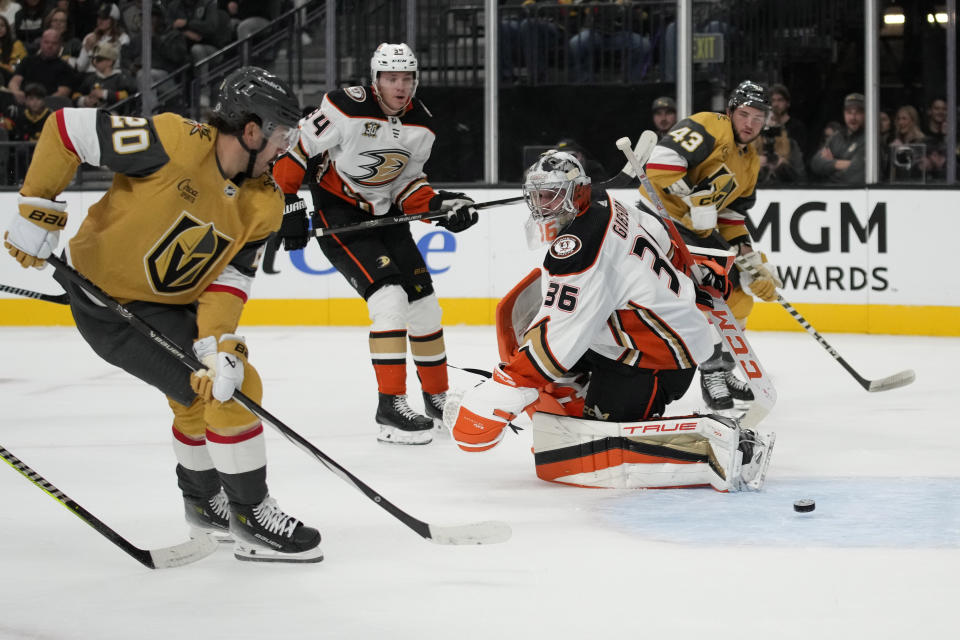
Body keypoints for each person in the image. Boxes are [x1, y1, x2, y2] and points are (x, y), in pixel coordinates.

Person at [2, 66, 323, 563]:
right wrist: (37, 206)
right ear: (252, 130)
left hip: (177, 309)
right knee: (237, 391)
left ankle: (204, 506)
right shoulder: (173, 140)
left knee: (205, 389)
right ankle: (251, 516)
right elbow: (66, 129)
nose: (286, 147)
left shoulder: (265, 203)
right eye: (281, 134)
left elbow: (230, 279)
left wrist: (215, 343)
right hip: (109, 305)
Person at [446, 150, 772, 491]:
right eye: (538, 195)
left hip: (655, 359)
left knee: (585, 454)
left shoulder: (580, 249)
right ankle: (575, 391)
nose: (543, 205)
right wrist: (694, 268)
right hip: (655, 336)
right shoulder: (608, 204)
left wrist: (502, 393)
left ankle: (722, 447)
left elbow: (558, 338)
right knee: (552, 366)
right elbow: (661, 237)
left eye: (552, 194)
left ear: (578, 192)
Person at [273, 42, 479, 446]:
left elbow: (408, 186)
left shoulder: (423, 124)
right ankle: (391, 407)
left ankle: (436, 399)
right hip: (343, 216)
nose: (400, 87)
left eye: (406, 79)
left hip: (387, 217)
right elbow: (298, 146)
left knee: (424, 305)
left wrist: (440, 205)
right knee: (389, 300)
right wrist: (289, 202)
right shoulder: (344, 106)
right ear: (376, 80)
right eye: (391, 78)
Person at [636, 79, 781, 410]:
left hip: (696, 230)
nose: (750, 124)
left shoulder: (751, 160)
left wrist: (748, 258)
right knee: (708, 290)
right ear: (730, 112)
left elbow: (730, 214)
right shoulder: (709, 125)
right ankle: (710, 370)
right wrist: (692, 200)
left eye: (758, 118)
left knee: (741, 290)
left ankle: (723, 370)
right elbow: (658, 166)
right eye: (745, 115)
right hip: (659, 222)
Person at [810, 92, 866, 184]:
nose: (853, 117)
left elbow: (857, 174)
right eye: (849, 112)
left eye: (858, 113)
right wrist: (842, 164)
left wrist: (829, 165)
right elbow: (815, 164)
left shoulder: (870, 140)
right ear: (844, 114)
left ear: (865, 114)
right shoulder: (836, 137)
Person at [6, 28, 74, 103]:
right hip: (23, 102)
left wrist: (40, 103)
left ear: (60, 46)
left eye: (54, 43)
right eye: (46, 42)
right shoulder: (27, 61)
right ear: (41, 43)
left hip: (49, 106)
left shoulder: (65, 68)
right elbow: (14, 82)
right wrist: (16, 92)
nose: (50, 46)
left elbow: (63, 93)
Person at [73, 41, 136, 109]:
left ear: (110, 62)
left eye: (99, 59)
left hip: (113, 114)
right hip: (92, 113)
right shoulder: (91, 78)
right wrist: (84, 100)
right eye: (93, 58)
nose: (94, 62)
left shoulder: (121, 77)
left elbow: (129, 96)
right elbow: (75, 95)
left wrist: (105, 94)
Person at [75, 2, 129, 74]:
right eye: (99, 17)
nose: (100, 21)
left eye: (104, 18)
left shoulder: (123, 38)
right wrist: (87, 48)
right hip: (90, 77)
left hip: (112, 78)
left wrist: (91, 52)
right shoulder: (89, 37)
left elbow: (116, 65)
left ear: (114, 21)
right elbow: (80, 68)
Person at [767, 83, 808, 160]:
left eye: (780, 100)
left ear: (788, 103)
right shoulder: (766, 127)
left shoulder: (797, 127)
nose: (776, 104)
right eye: (773, 100)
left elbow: (799, 155)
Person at [0, 14, 27, 85]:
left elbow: (21, 65)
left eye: (2, 26)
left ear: (7, 28)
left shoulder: (16, 44)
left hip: (11, 77)